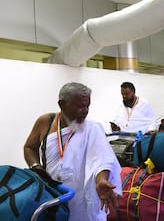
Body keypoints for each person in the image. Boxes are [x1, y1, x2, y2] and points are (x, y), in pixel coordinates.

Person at [23, 82, 121, 221]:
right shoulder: (46, 122)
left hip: (82, 198)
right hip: (53, 193)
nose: (85, 111)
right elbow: (29, 147)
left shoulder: (93, 128)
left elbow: (102, 158)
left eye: (88, 106)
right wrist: (36, 167)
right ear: (62, 104)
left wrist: (101, 180)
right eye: (81, 106)